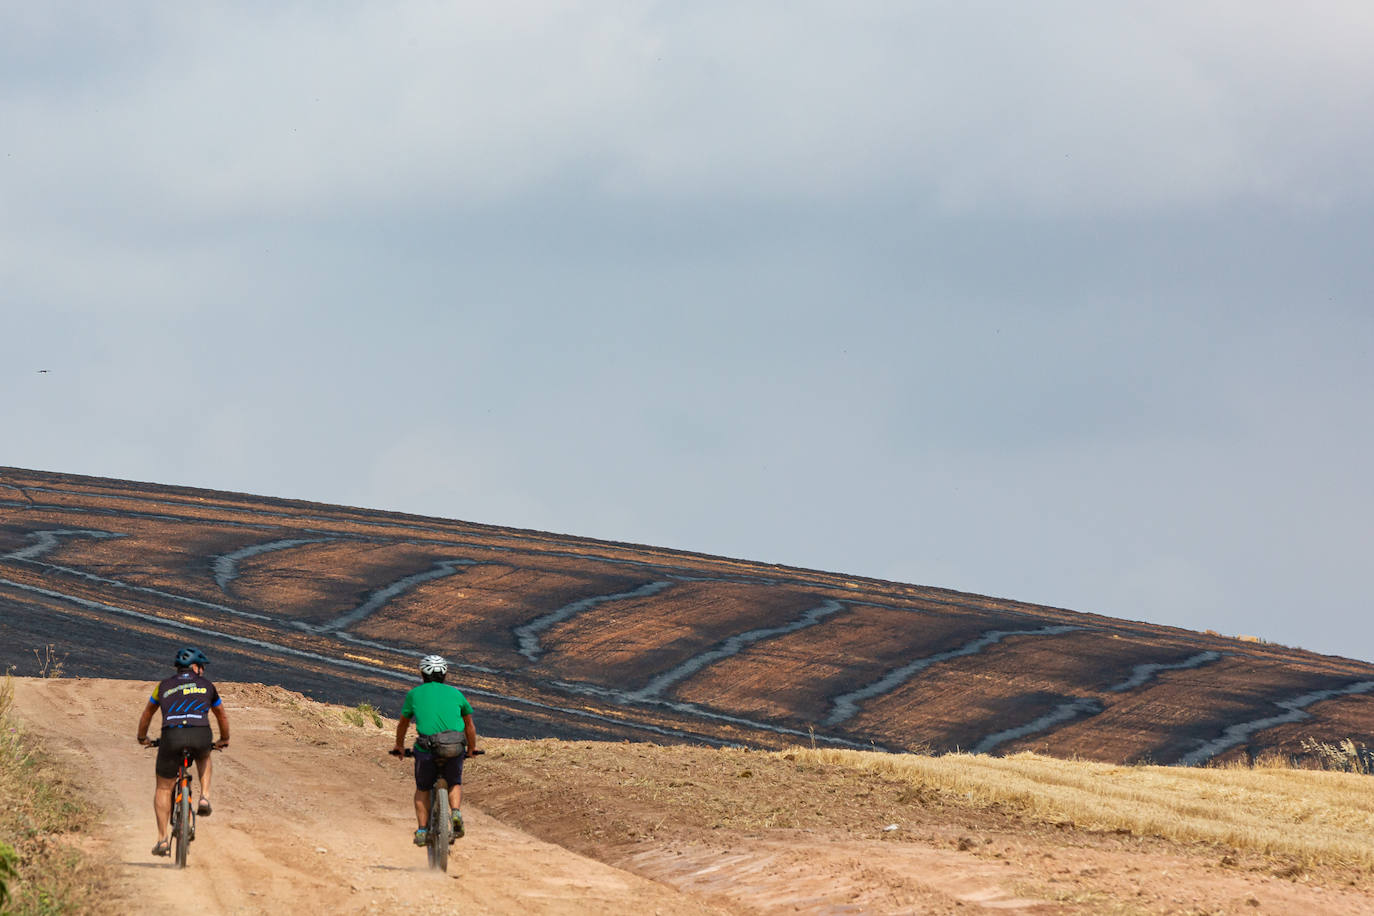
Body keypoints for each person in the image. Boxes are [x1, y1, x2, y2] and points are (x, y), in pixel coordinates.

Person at [136, 647, 230, 857]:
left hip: (171, 736)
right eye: (202, 667)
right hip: (200, 733)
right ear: (195, 667)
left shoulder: (162, 687)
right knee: (205, 755)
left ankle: (162, 840)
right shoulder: (207, 686)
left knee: (163, 787)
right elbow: (221, 715)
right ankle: (204, 797)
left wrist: (142, 738)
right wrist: (224, 739)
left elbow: (147, 713)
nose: (203, 671)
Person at [391, 654, 479, 846]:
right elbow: (469, 726)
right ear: (445, 674)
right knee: (454, 782)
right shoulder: (456, 693)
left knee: (423, 788)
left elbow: (403, 724)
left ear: (422, 674)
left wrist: (399, 746)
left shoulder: (414, 694)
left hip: (427, 748)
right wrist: (471, 749)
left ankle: (422, 830)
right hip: (455, 747)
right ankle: (455, 812)